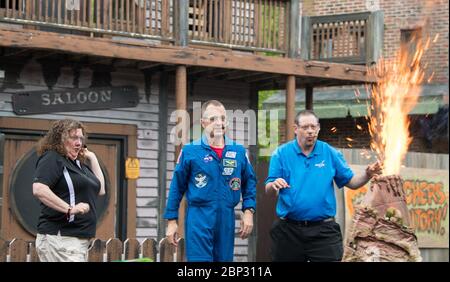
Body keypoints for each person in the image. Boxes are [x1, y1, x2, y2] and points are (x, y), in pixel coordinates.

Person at [265, 110, 382, 262]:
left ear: (319, 128)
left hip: (324, 231)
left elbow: (351, 182)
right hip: (289, 230)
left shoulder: (330, 153)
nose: (310, 131)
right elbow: (268, 189)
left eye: (314, 127)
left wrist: (367, 174)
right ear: (296, 129)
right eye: (305, 127)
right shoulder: (281, 154)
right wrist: (274, 185)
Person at [164, 100, 257, 262]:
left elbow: (249, 182)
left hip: (226, 218)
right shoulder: (190, 151)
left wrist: (248, 211)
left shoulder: (238, 151)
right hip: (199, 218)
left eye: (222, 118)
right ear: (203, 123)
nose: (219, 123)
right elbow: (176, 187)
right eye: (213, 119)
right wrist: (172, 220)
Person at [32, 119, 105, 262]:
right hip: (61, 239)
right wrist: (69, 209)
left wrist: (93, 157)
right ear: (60, 139)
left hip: (77, 241)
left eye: (81, 138)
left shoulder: (78, 165)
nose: (79, 143)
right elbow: (39, 189)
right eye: (73, 138)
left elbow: (100, 189)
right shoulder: (52, 158)